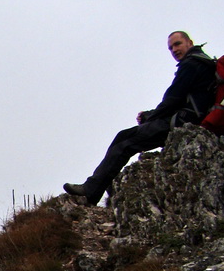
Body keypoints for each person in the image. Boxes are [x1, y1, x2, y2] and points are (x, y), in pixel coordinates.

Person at [64, 31, 215, 205]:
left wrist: (149, 117)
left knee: (126, 142)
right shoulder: (203, 62)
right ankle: (95, 188)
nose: (174, 50)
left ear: (189, 42)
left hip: (184, 122)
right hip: (188, 118)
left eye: (177, 44)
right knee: (124, 137)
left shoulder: (191, 64)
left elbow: (172, 99)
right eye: (170, 48)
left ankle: (91, 191)